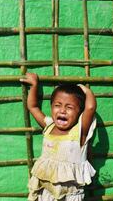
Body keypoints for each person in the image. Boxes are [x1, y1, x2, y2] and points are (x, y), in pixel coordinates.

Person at [20, 73, 97, 201]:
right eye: (57, 105)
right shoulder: (49, 126)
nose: (62, 111)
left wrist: (85, 90)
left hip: (70, 197)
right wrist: (34, 86)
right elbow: (32, 107)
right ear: (51, 107)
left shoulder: (79, 133)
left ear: (79, 113)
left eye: (69, 107)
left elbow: (90, 107)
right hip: (45, 194)